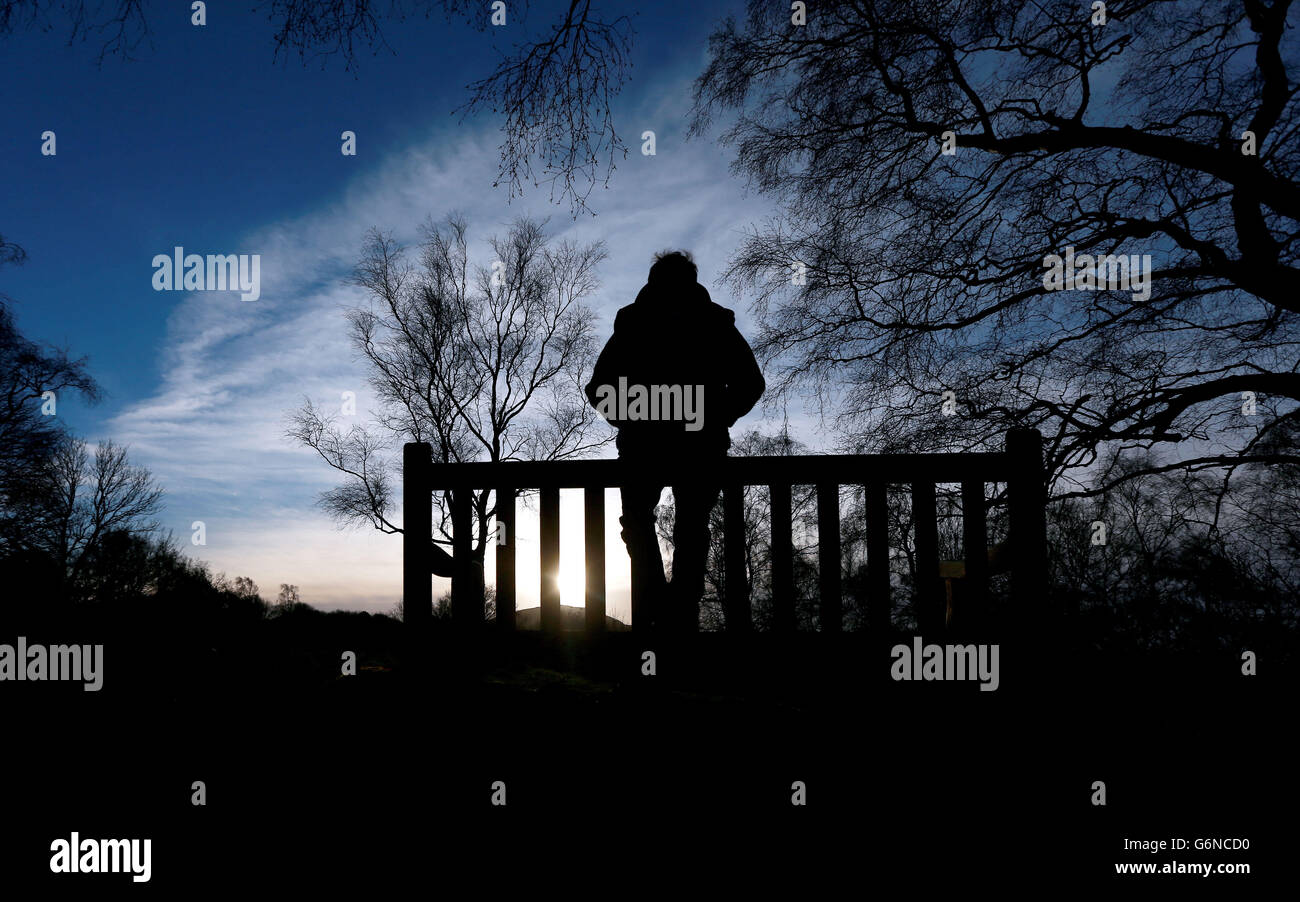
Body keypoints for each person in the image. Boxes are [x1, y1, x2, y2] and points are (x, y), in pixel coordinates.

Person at [585, 250, 764, 631]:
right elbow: (750, 383)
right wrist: (712, 415)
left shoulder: (645, 322)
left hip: (654, 445)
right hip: (684, 445)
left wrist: (634, 418)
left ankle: (667, 609)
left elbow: (599, 388)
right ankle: (676, 611)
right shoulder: (702, 323)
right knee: (682, 527)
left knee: (661, 524)